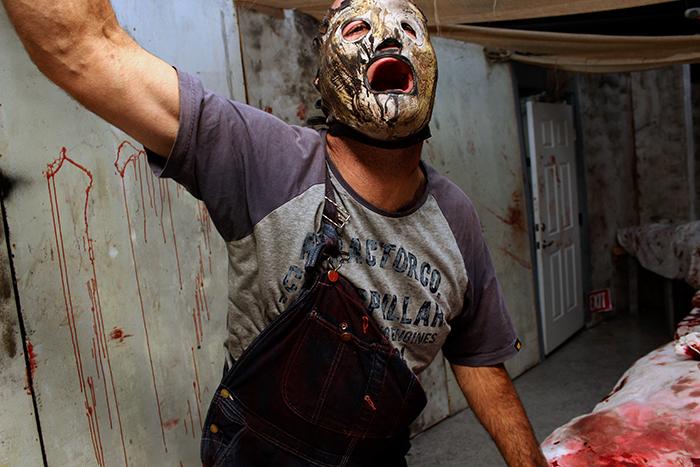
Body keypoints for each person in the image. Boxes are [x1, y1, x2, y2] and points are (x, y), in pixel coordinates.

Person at [3, 0, 547, 464]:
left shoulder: (457, 219)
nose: (388, 36)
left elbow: (480, 362)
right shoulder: (263, 157)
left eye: (408, 29)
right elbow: (86, 48)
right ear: (322, 82)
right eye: (358, 28)